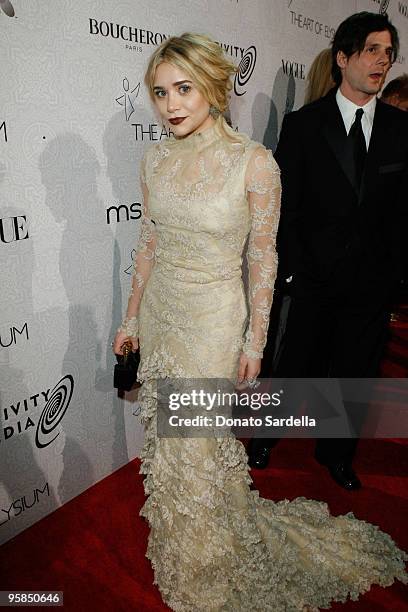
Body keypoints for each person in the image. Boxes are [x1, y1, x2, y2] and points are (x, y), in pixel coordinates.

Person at [113, 32, 407, 612]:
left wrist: (255, 341)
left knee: (199, 443)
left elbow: (263, 257)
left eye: (184, 89)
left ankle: (210, 561)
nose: (170, 105)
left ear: (214, 88)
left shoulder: (254, 163)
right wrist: (130, 320)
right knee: (169, 442)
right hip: (163, 314)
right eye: (159, 92)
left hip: (214, 322)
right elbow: (148, 241)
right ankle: (181, 544)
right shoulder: (155, 159)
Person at [247, 12, 408, 490]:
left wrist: (395, 278)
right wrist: (294, 272)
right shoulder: (304, 125)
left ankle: (336, 454)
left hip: (372, 284)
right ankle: (266, 437)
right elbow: (285, 207)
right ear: (343, 57)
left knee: (355, 375)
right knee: (295, 367)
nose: (383, 61)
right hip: (314, 279)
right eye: (372, 50)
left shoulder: (402, 129)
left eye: (388, 52)